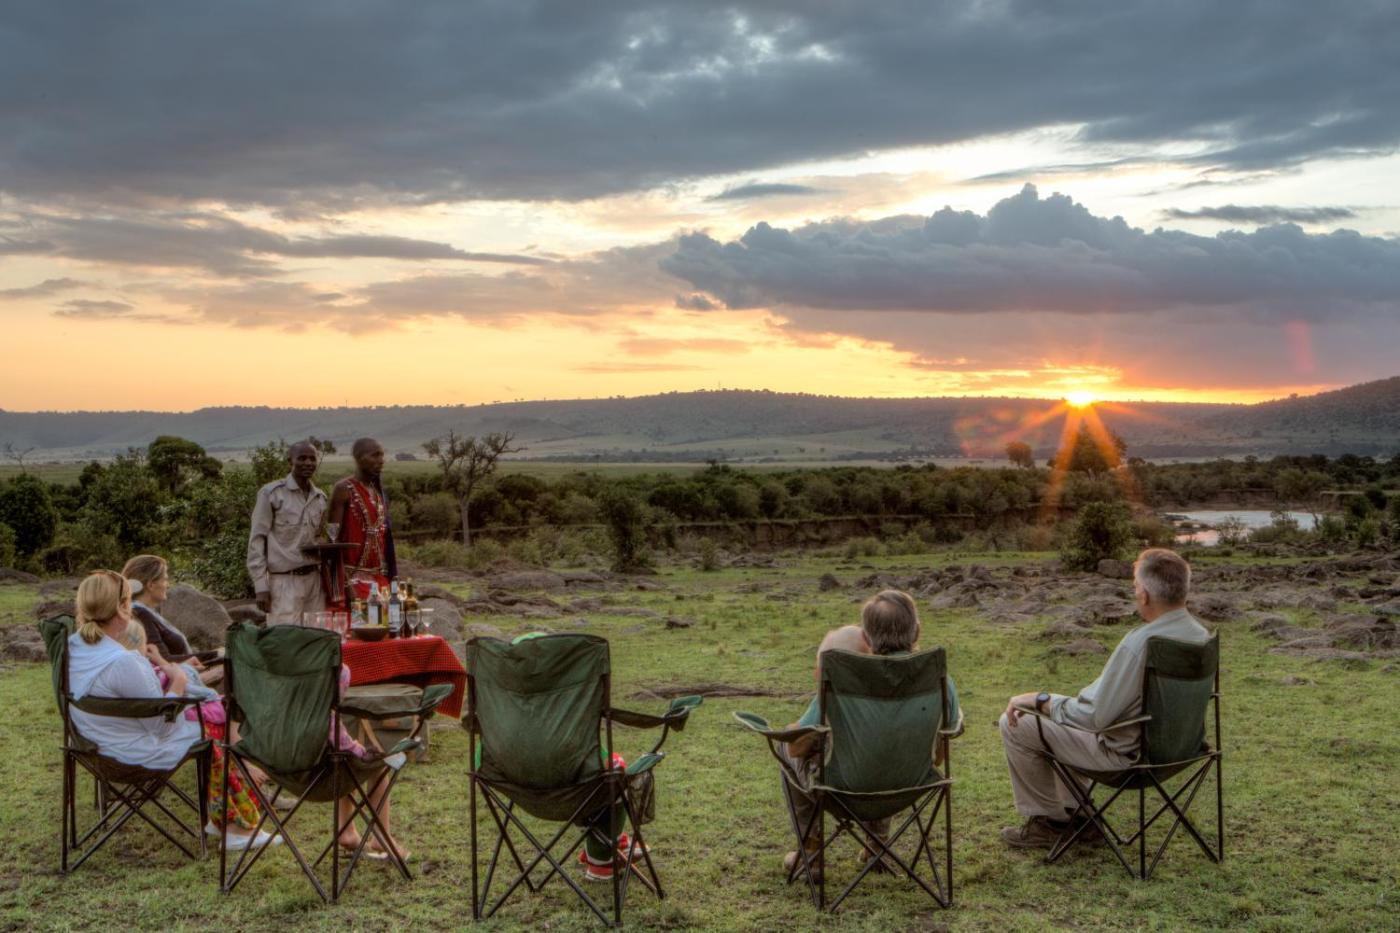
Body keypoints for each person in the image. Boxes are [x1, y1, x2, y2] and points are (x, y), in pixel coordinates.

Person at [998, 548, 1210, 849]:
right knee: (1066, 716)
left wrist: (1041, 699)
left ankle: (1052, 824)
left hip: (1128, 761)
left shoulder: (1141, 644)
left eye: (1135, 586)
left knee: (1016, 724)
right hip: (1181, 753)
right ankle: (1079, 817)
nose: (1135, 592)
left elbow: (1094, 717)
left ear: (1145, 595)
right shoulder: (1201, 636)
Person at [779, 592, 960, 876]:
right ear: (917, 631)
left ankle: (810, 854)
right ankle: (878, 847)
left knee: (784, 744)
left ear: (866, 636)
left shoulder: (842, 680)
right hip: (910, 786)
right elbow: (941, 753)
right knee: (887, 749)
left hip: (843, 791)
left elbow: (796, 748)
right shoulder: (940, 681)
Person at [121, 613, 278, 850]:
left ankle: (230, 813)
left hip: (160, 728)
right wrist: (177, 675)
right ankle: (235, 821)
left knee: (227, 724)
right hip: (172, 728)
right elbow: (169, 699)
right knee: (222, 729)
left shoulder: (129, 669)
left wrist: (163, 662)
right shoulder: (141, 672)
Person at [247, 441, 327, 625]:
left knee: (317, 635)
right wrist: (260, 585)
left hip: (314, 581)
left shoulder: (320, 498)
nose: (308, 463)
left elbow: (318, 536)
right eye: (302, 458)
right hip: (284, 582)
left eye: (312, 459)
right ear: (290, 461)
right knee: (285, 638)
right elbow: (257, 540)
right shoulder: (272, 494)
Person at [122, 554, 221, 686]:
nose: (168, 585)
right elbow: (163, 659)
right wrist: (216, 654)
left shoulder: (145, 612)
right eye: (165, 580)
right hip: (174, 683)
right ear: (151, 585)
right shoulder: (140, 614)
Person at [327, 438, 397, 607]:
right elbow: (332, 542)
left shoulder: (379, 493)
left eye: (382, 455)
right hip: (352, 582)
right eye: (375, 455)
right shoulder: (343, 489)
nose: (381, 460)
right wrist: (346, 585)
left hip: (380, 581)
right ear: (358, 458)